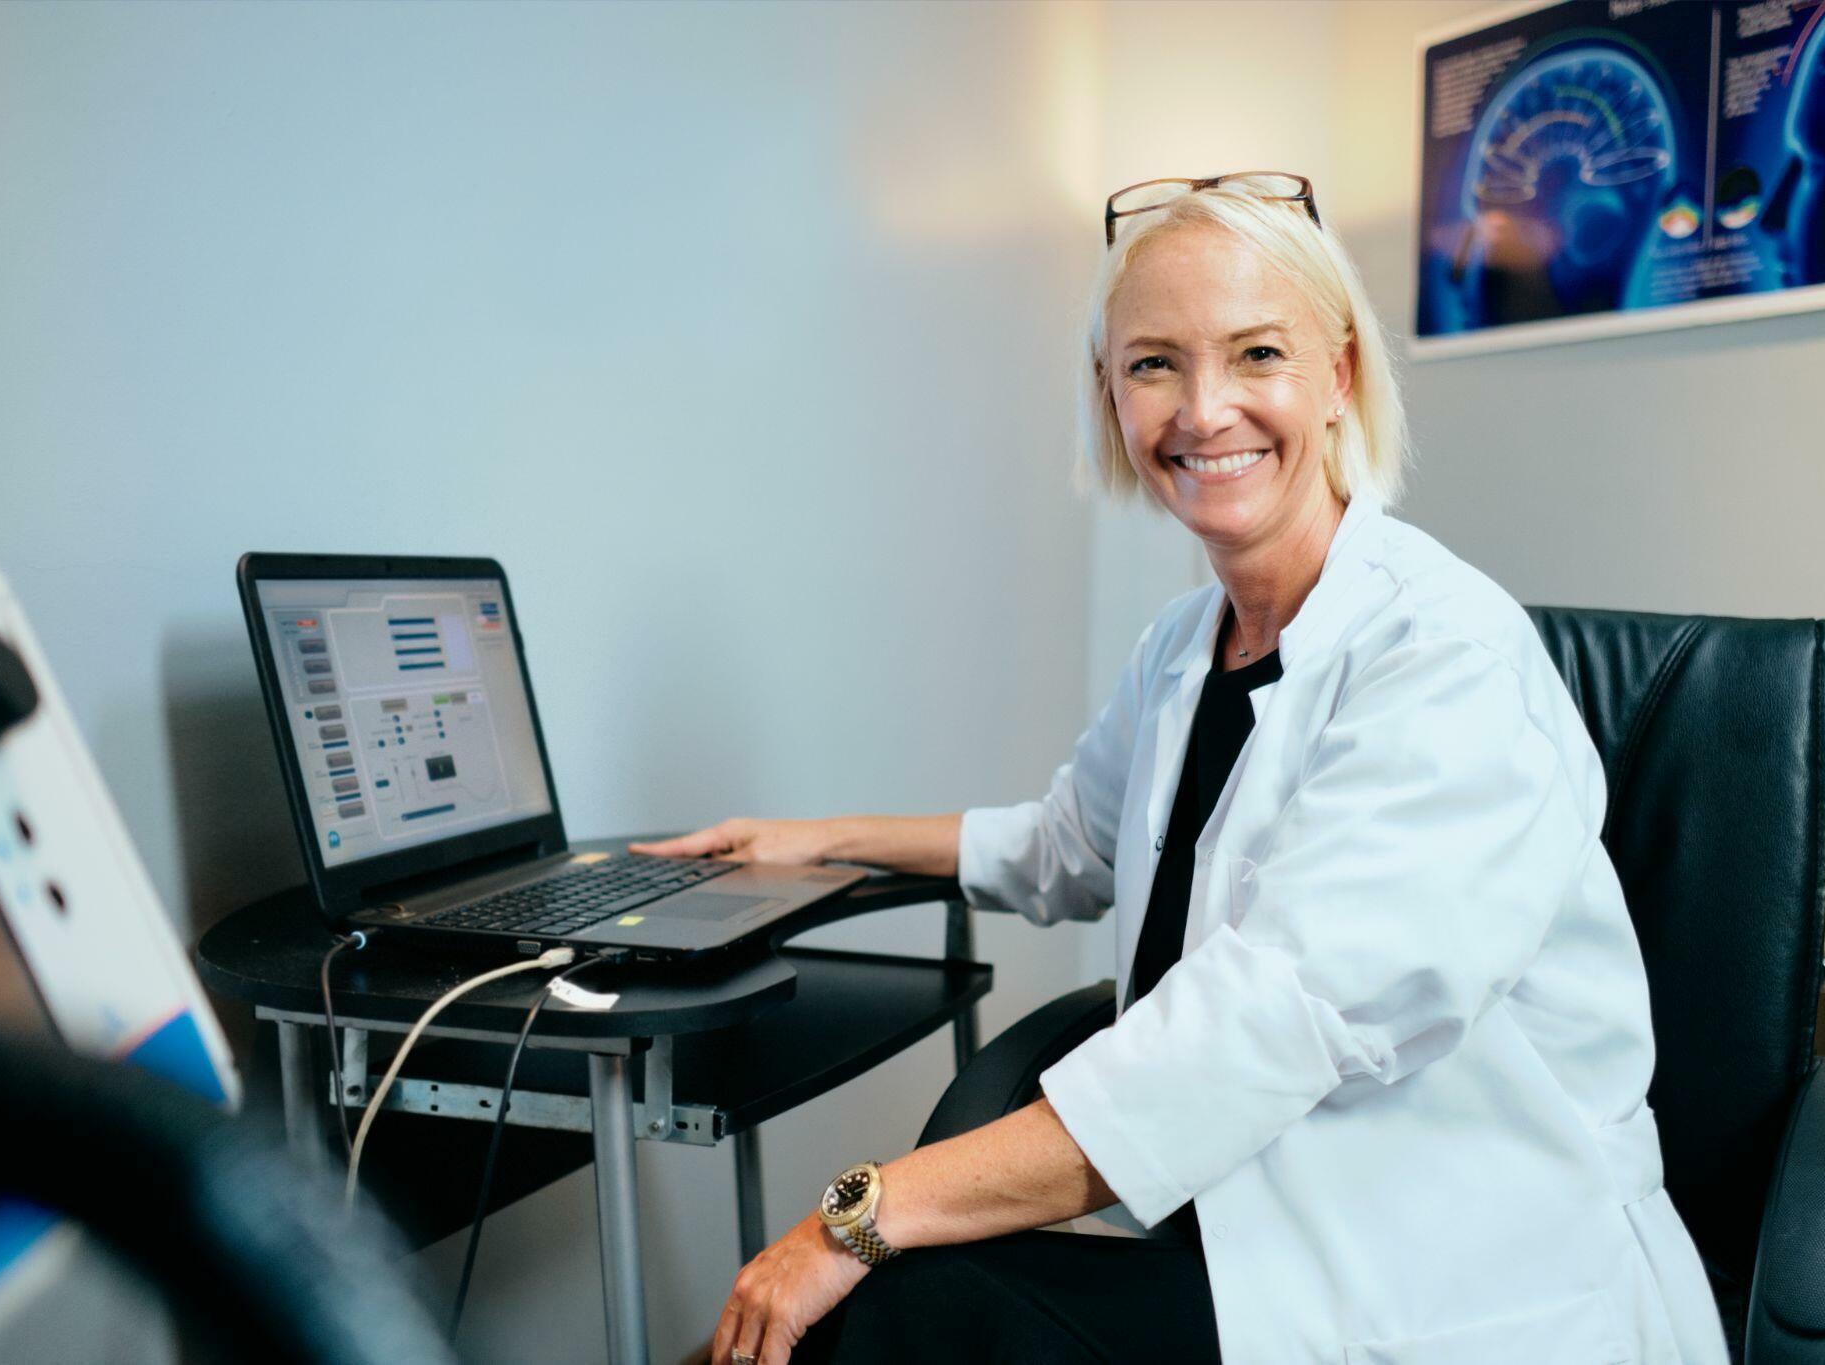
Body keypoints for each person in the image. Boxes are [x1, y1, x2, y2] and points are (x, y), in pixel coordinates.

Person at [637, 173, 1730, 1364]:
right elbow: (1064, 844)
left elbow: (1259, 1029)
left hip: (1452, 1281)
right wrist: (818, 836)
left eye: (1255, 352)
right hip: (1250, 1244)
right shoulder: (1183, 645)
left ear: (1339, 377)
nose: (1202, 411)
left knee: (888, 1300)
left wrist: (851, 1219)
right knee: (875, 1308)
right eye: (1151, 364)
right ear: (1109, 399)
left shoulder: (1447, 661)